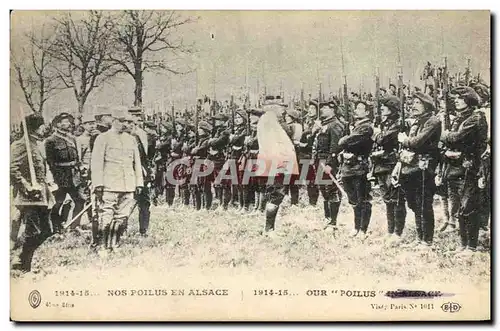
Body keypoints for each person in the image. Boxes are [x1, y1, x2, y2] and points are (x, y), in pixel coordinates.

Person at [440, 86, 488, 256]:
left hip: (471, 168)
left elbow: (456, 137)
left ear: (469, 101)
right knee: (460, 208)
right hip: (457, 168)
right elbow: (450, 141)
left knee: (469, 207)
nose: (456, 101)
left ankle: (471, 247)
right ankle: (463, 245)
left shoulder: (475, 118)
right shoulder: (460, 118)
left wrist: (445, 135)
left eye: (460, 98)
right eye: (456, 98)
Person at [91, 109, 143, 253]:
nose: (125, 124)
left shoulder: (131, 139)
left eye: (128, 121)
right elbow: (96, 163)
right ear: (114, 121)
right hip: (109, 184)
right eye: (122, 121)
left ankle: (114, 244)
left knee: (122, 217)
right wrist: (98, 183)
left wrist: (139, 183)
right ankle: (102, 245)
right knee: (106, 216)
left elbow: (136, 163)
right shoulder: (103, 138)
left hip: (128, 184)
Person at [397, 92, 441, 250]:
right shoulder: (417, 122)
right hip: (411, 168)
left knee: (424, 204)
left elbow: (417, 142)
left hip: (424, 168)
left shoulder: (433, 121)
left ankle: (427, 240)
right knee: (414, 204)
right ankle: (419, 237)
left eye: (418, 103)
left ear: (427, 105)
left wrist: (405, 140)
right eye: (413, 102)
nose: (413, 105)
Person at [11, 113, 53, 273]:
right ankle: (23, 264)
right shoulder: (21, 145)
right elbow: (12, 168)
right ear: (35, 128)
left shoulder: (36, 144)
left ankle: (20, 256)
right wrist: (27, 186)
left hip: (42, 194)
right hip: (28, 197)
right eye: (42, 126)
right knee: (33, 231)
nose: (44, 129)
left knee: (47, 231)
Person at [257, 96, 299, 236]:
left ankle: (269, 228)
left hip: (276, 163)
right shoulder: (269, 121)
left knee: (274, 194)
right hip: (278, 163)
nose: (283, 110)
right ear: (273, 107)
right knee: (276, 195)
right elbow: (273, 145)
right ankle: (269, 229)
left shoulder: (269, 120)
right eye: (281, 107)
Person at [371, 96, 407, 245]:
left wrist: (376, 134)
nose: (381, 109)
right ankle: (390, 231)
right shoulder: (384, 123)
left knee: (396, 199)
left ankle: (398, 233)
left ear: (392, 108)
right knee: (387, 200)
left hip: (392, 165)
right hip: (382, 165)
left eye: (384, 107)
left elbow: (382, 139)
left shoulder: (398, 124)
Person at [338, 101, 374, 240]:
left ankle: (363, 229)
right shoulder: (354, 126)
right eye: (356, 108)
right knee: (353, 199)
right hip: (348, 167)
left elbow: (345, 142)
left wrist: (344, 140)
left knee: (362, 199)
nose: (357, 111)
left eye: (361, 108)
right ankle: (356, 227)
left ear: (367, 112)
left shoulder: (366, 127)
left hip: (360, 167)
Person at [45, 112, 84, 232]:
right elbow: (50, 162)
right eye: (64, 122)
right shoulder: (50, 141)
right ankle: (56, 227)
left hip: (73, 176)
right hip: (60, 176)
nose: (67, 124)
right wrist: (54, 178)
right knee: (58, 203)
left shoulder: (72, 139)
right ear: (57, 124)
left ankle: (74, 225)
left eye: (68, 121)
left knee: (80, 201)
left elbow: (77, 158)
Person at [312, 100, 347, 235]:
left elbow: (335, 146)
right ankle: (327, 219)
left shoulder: (335, 125)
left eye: (325, 108)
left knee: (331, 190)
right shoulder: (324, 124)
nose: (322, 110)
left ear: (332, 109)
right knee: (324, 191)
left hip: (328, 161)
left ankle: (333, 222)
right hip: (320, 160)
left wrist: (330, 164)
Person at [284, 107, 303, 206]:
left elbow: (296, 140)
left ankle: (294, 201)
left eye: (288, 116)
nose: (286, 117)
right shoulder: (287, 126)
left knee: (293, 178)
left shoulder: (296, 126)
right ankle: (286, 198)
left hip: (294, 153)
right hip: (286, 154)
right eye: (286, 116)